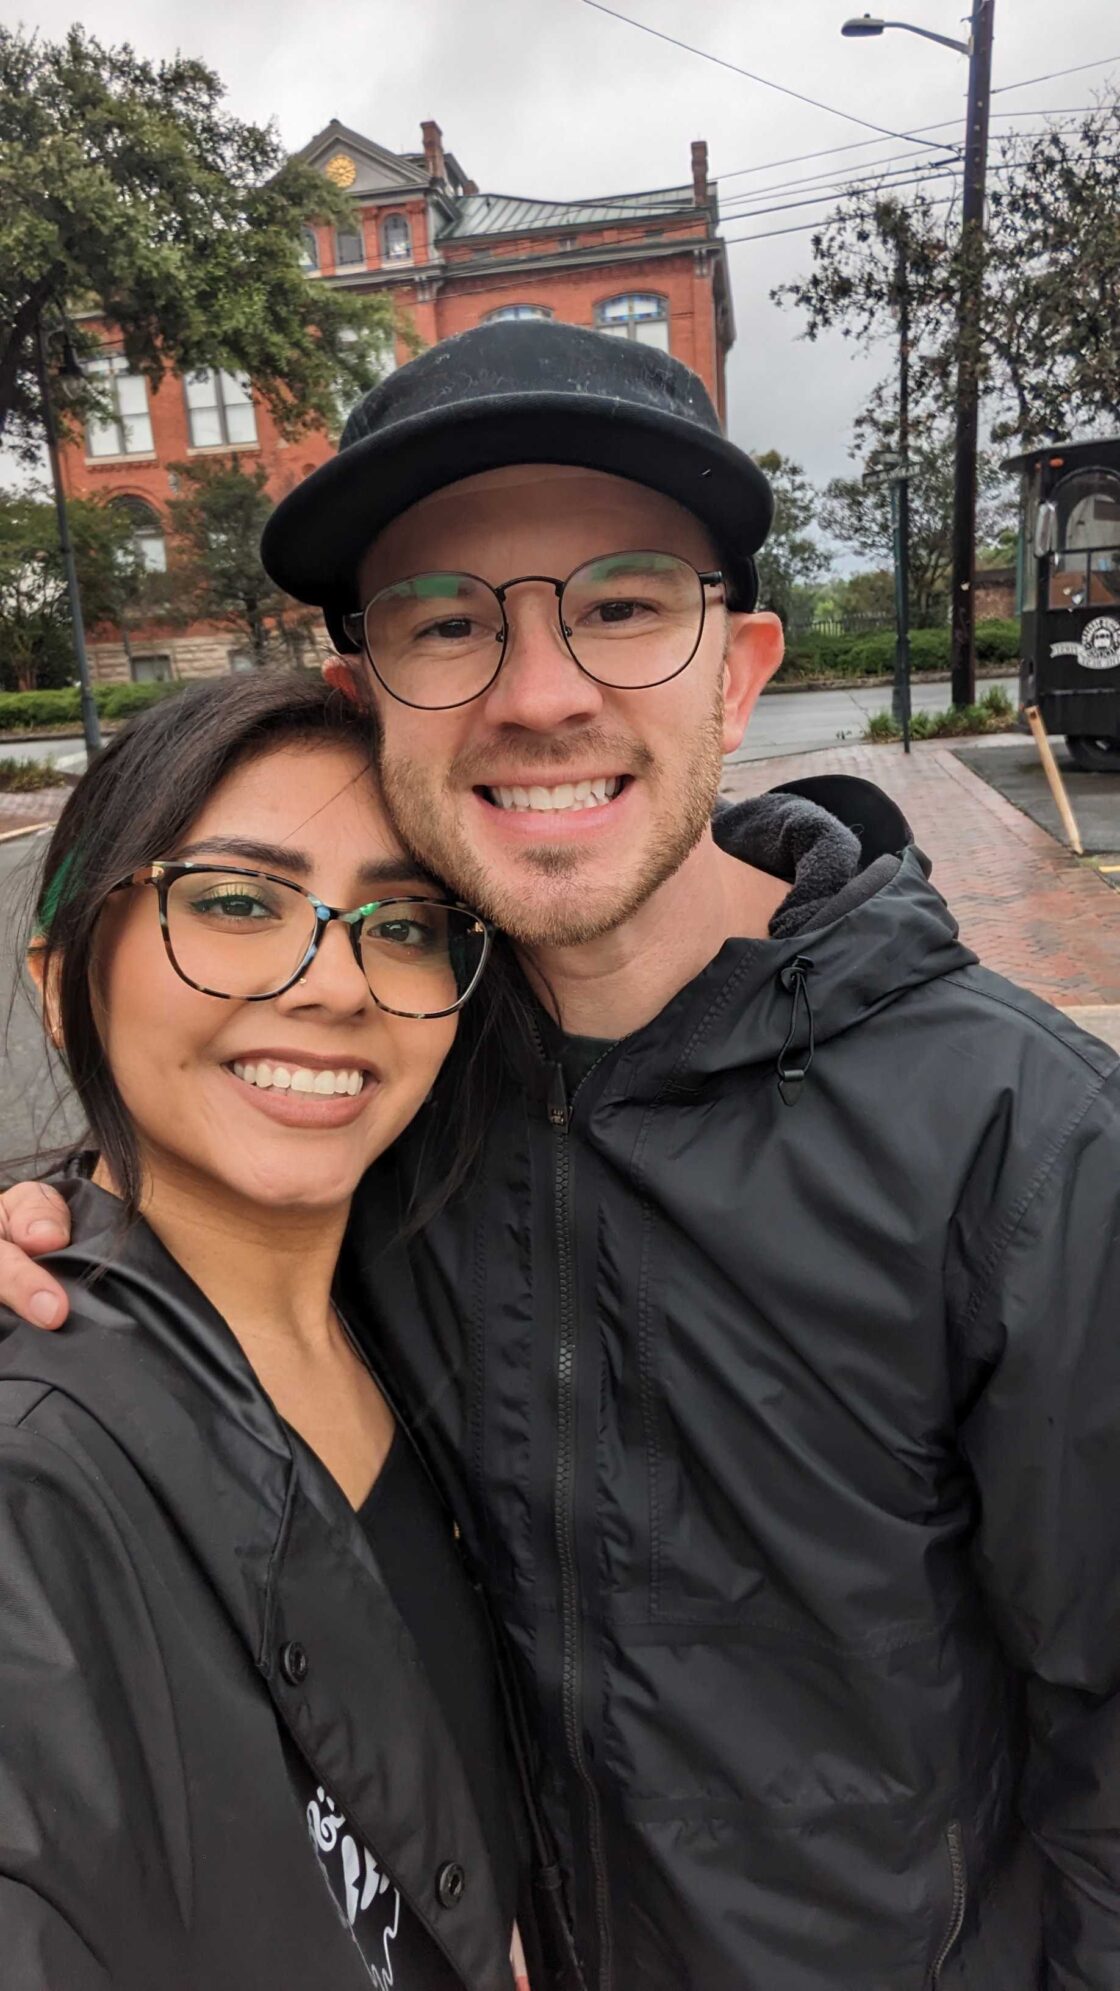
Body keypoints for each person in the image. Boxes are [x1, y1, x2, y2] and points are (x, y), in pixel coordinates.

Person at [4, 321, 1119, 1989]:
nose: (540, 693)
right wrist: (62, 1225)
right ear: (366, 695)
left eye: (621, 606)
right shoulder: (392, 1069)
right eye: (448, 621)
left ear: (736, 671)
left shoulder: (1025, 1151)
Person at [0, 671, 556, 1991]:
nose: (337, 984)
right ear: (62, 974)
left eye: (407, 924)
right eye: (237, 902)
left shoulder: (438, 1310)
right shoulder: (36, 1467)